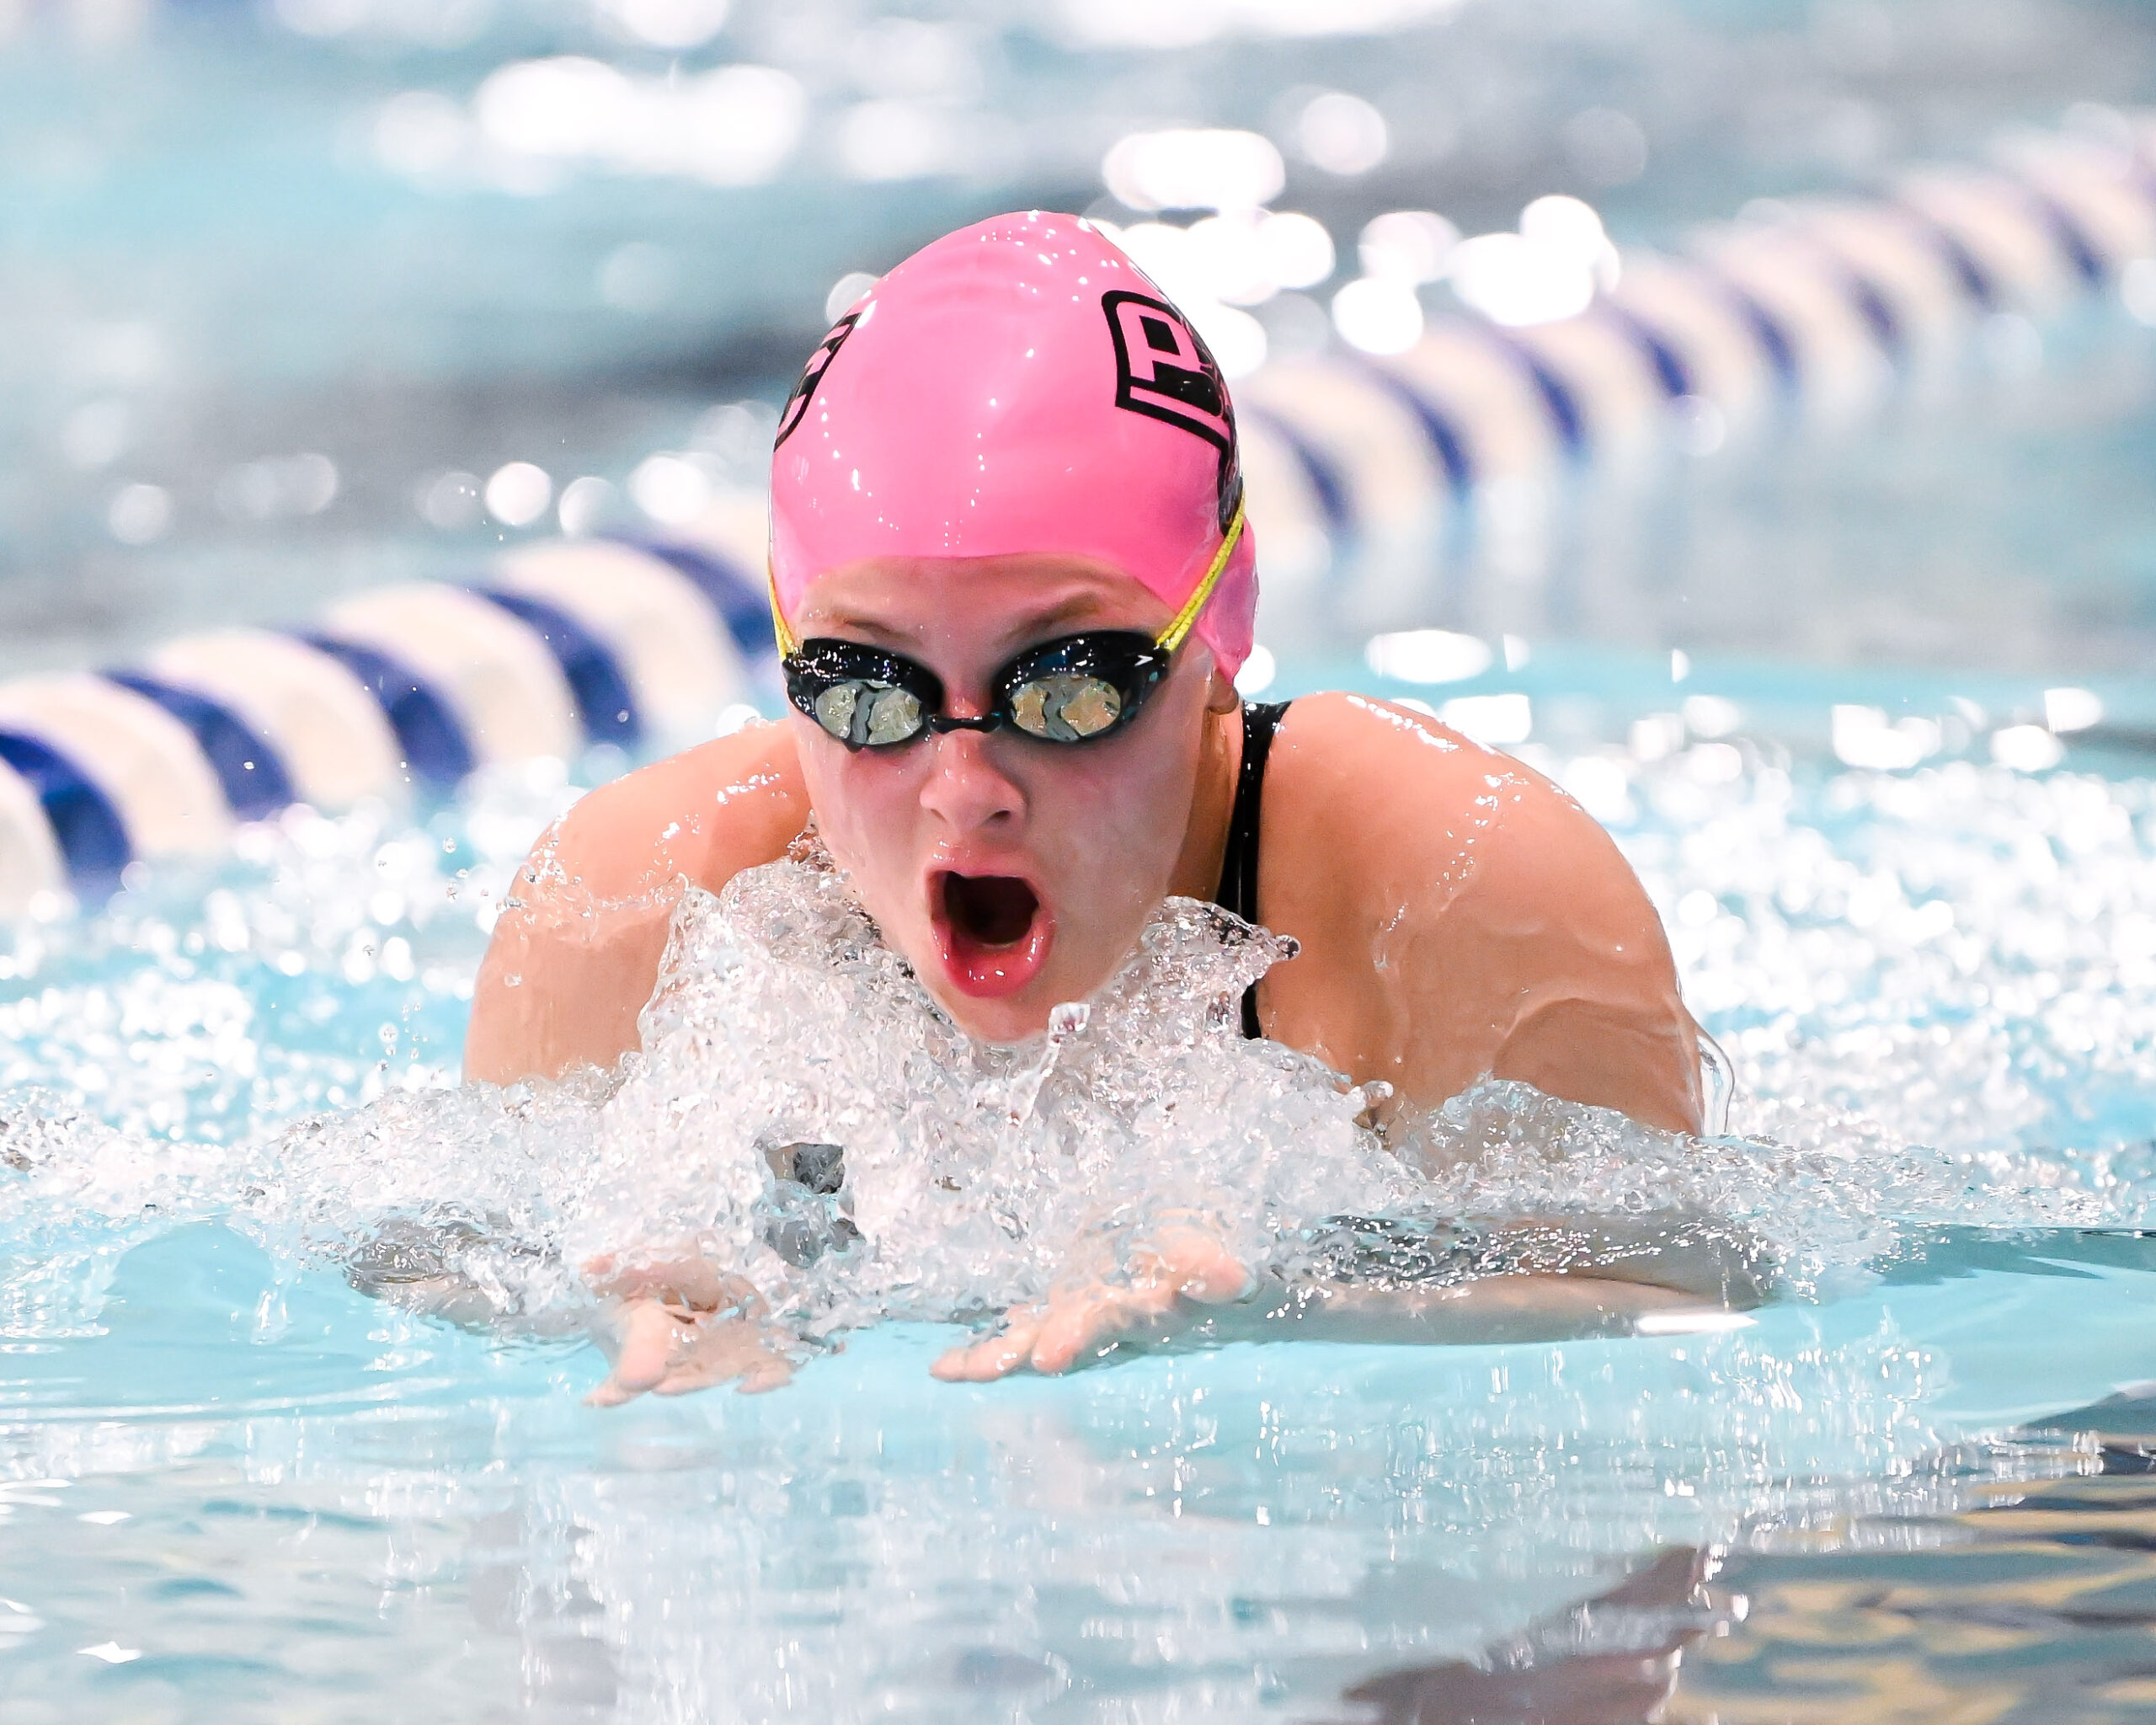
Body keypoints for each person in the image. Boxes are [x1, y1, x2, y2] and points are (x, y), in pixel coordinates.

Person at [463, 212, 1713, 1400]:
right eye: (868, 692)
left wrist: (1290, 1302)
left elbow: (1674, 1311)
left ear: (1218, 633)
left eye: (1067, 689)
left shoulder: (1452, 894)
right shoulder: (634, 909)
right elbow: (439, 1266)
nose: (966, 793)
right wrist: (581, 1308)